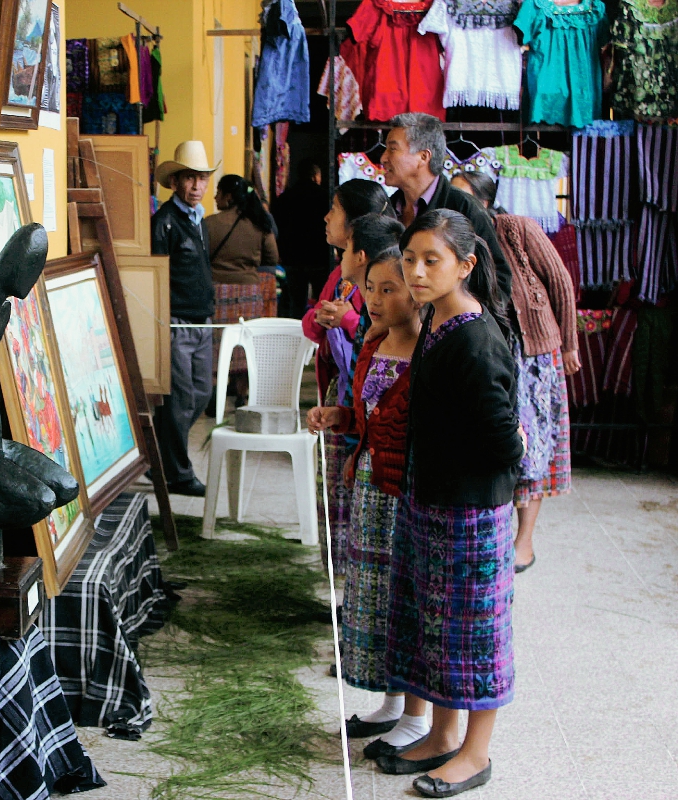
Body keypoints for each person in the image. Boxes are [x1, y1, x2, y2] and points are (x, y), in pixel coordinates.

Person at [379, 210, 522, 797]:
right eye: (409, 258)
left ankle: (476, 753)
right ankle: (441, 736)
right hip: (431, 502)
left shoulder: (478, 339)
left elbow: (503, 444)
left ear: (465, 265)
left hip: (468, 514)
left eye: (430, 260)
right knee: (436, 630)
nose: (414, 271)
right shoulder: (439, 322)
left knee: (474, 637)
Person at [307, 216, 433, 753]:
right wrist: (339, 418)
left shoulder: (428, 350)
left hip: (402, 496)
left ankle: (418, 713)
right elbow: (367, 415)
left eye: (388, 290)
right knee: (375, 597)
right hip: (368, 491)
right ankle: (391, 700)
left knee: (405, 597)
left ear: (417, 293)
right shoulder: (375, 341)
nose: (375, 301)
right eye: (371, 289)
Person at [451, 171, 579, 573]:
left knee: (534, 448)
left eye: (464, 198)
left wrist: (571, 343)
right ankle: (497, 535)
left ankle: (524, 543)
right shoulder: (454, 242)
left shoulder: (517, 229)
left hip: (535, 354)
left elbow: (560, 281)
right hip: (494, 354)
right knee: (499, 442)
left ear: (485, 202)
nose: (457, 207)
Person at [305, 179, 395, 575]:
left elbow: (376, 344)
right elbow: (310, 325)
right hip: (347, 405)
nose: (326, 218)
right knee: (340, 502)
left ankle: (352, 583)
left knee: (362, 515)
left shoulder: (384, 293)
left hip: (366, 417)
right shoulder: (341, 278)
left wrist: (348, 319)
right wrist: (325, 317)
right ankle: (341, 583)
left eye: (334, 210)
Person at [381, 113, 514, 330]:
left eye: (392, 148)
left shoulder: (463, 207)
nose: (384, 158)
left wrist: (457, 324)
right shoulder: (386, 209)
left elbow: (499, 278)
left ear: (423, 157)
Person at [151, 140, 220, 497]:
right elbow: (157, 276)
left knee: (199, 394)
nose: (196, 186)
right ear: (175, 181)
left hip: (201, 320)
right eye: (190, 178)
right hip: (176, 322)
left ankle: (159, 459)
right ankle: (178, 472)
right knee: (178, 401)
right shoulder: (163, 222)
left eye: (202, 178)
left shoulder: (200, 220)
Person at [206, 174, 282, 404]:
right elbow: (273, 256)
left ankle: (214, 395)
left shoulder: (208, 224)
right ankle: (242, 392)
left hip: (217, 292)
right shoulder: (259, 223)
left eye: (218, 192)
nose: (215, 196)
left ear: (228, 197)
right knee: (244, 344)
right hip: (249, 293)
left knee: (217, 344)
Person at [273, 160, 332, 318]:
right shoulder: (324, 197)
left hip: (292, 258)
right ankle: (318, 334)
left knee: (296, 302)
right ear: (315, 176)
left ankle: (297, 331)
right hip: (318, 256)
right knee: (322, 300)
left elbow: (277, 227)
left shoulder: (285, 198)